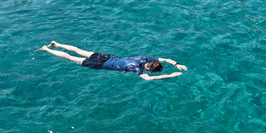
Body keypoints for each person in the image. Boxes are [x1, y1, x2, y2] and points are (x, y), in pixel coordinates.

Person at [38, 41, 186, 81]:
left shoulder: (145, 58)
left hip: (106, 57)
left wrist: (176, 64)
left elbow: (165, 58)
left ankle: (57, 44)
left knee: (77, 49)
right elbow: (148, 79)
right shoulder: (137, 69)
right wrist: (171, 75)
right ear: (149, 68)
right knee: (70, 57)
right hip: (100, 63)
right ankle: (47, 49)